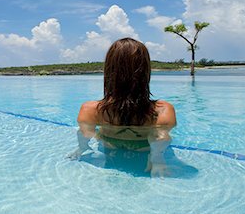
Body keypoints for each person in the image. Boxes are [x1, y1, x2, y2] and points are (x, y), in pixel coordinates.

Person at [69, 38, 177, 177]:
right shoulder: (163, 110)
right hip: (145, 150)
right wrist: (158, 160)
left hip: (110, 148)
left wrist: (81, 148)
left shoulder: (90, 109)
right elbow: (162, 138)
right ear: (145, 71)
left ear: (108, 70)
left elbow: (84, 134)